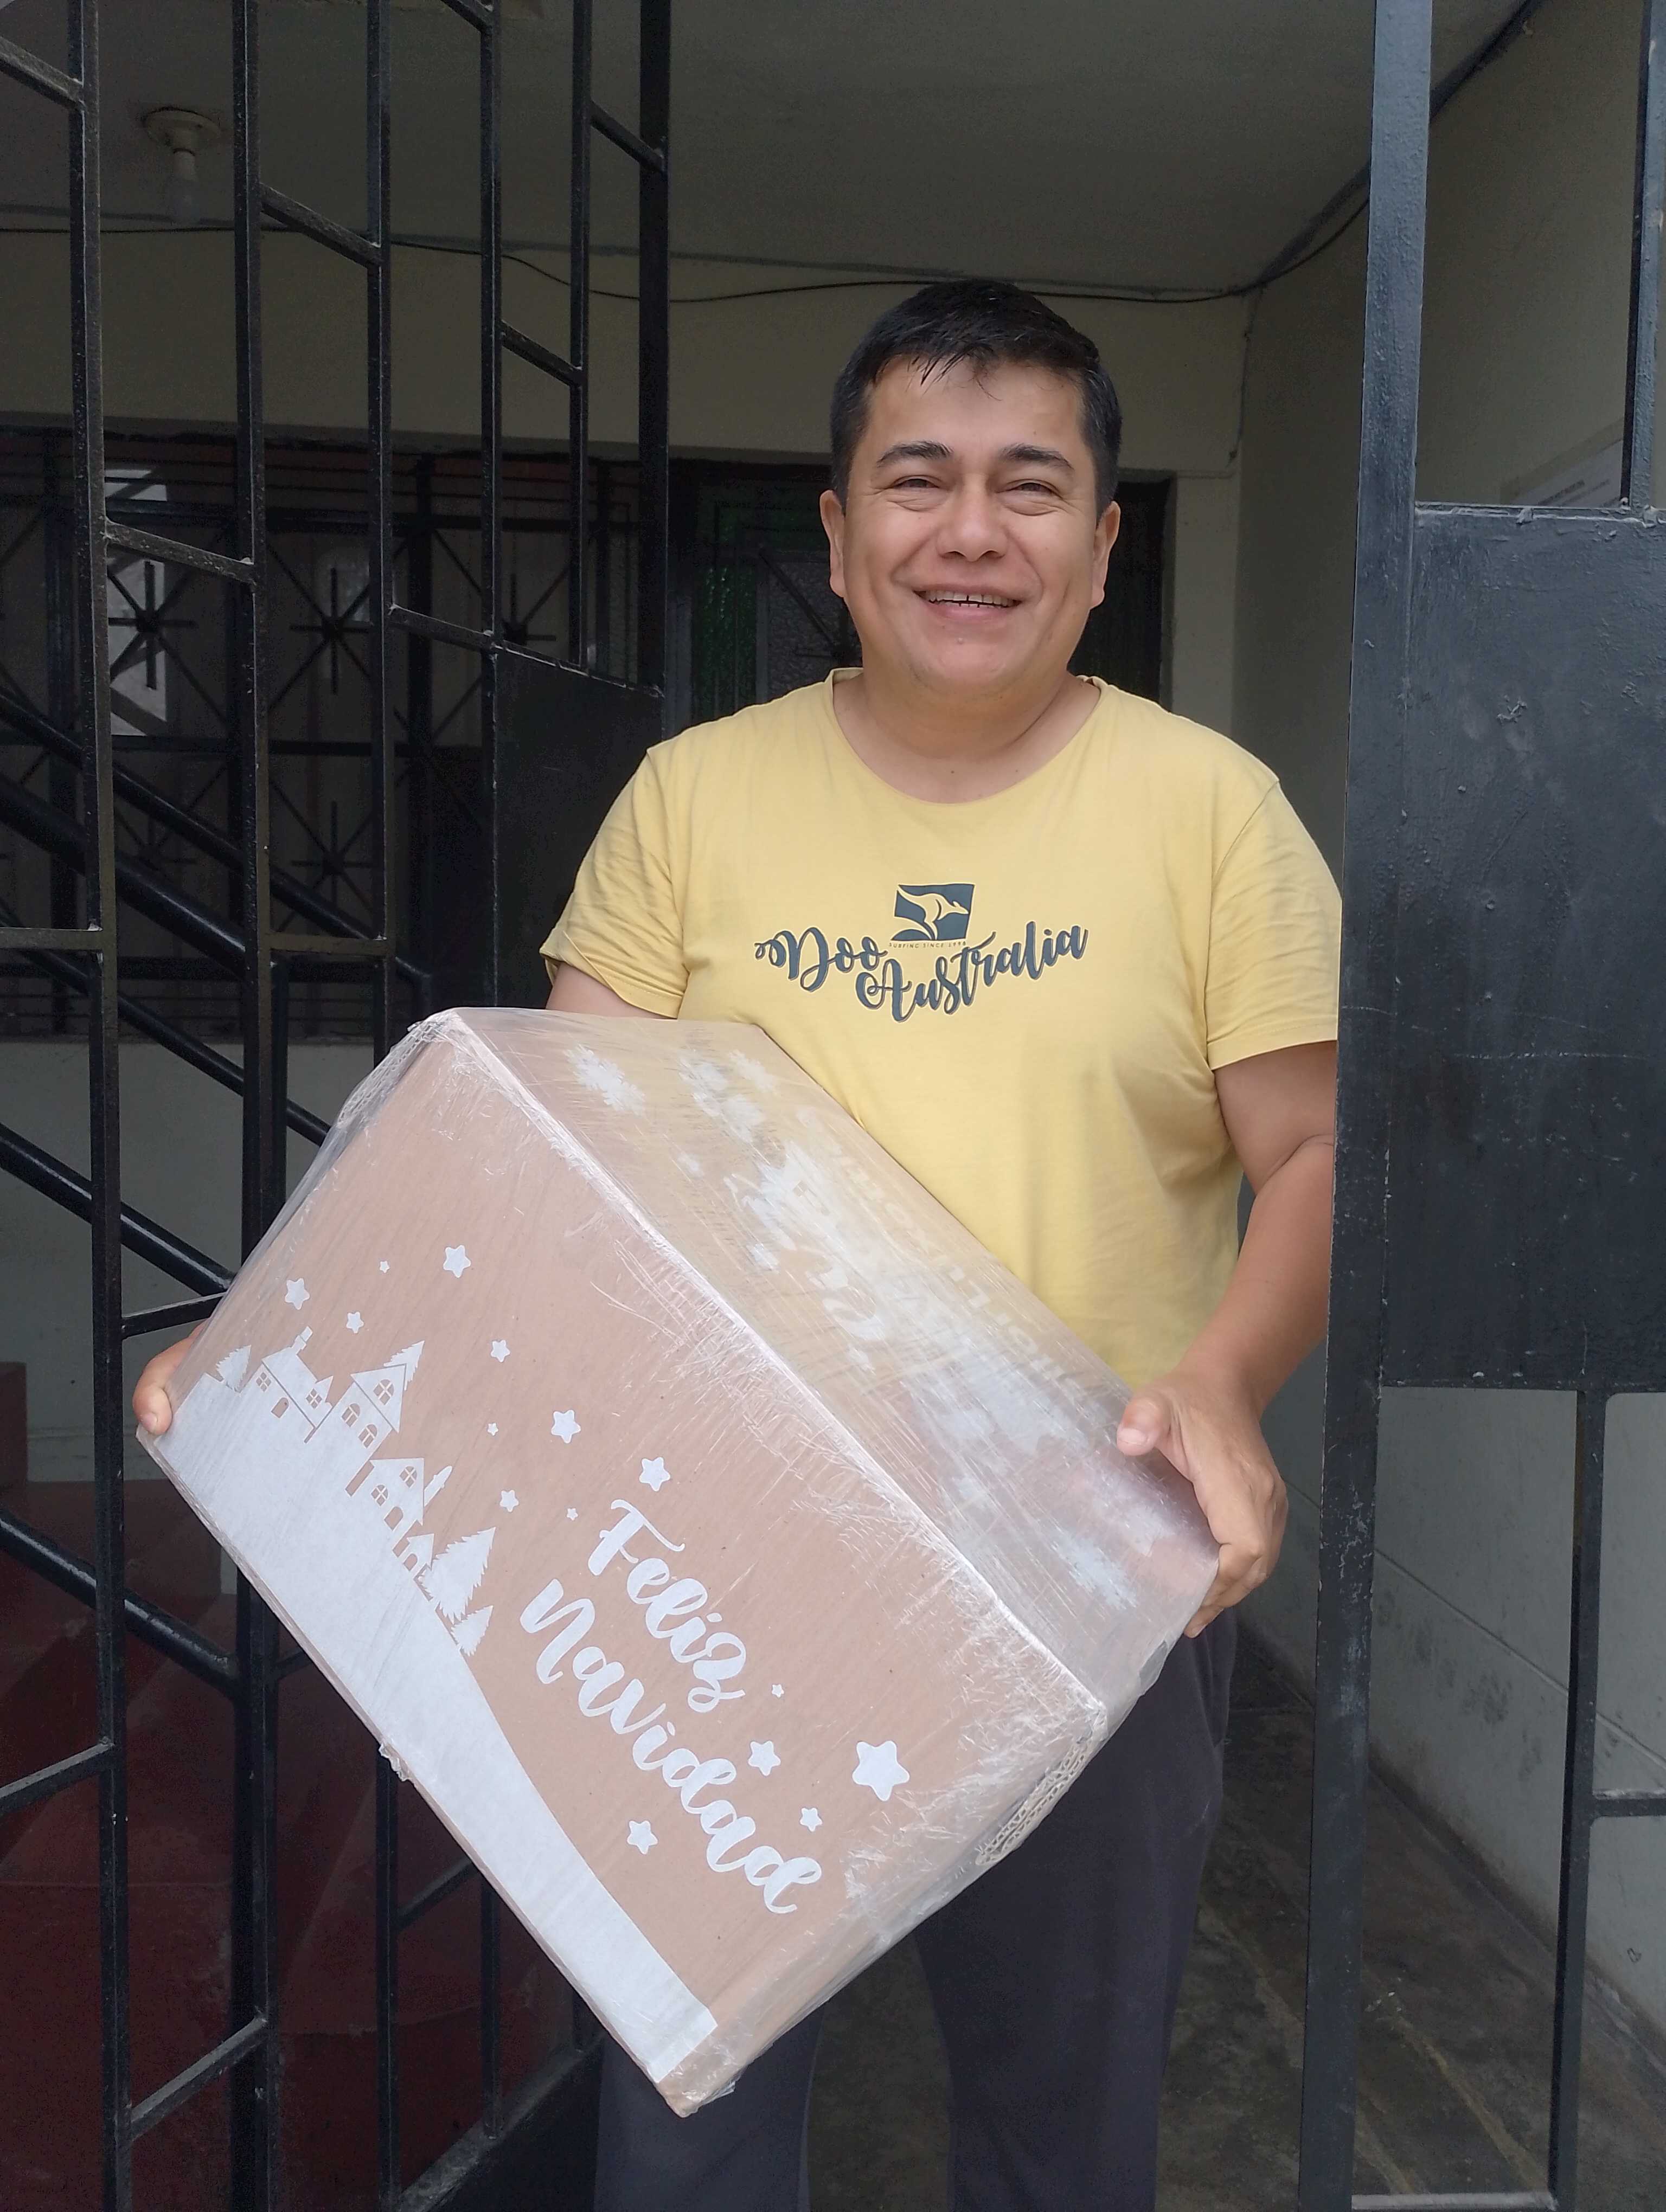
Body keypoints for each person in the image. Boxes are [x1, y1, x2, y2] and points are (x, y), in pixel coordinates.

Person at [136, 280, 1340, 2212]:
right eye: (919, 481)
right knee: (688, 2139)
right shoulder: (699, 798)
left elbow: (1312, 1149)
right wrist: (293, 1324)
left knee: (1063, 2132)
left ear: (1105, 544)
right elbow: (545, 1145)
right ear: (840, 533)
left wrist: (1225, 1378)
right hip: (715, 1566)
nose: (971, 532)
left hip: (1092, 1573)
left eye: (1029, 487)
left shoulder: (1213, 816)